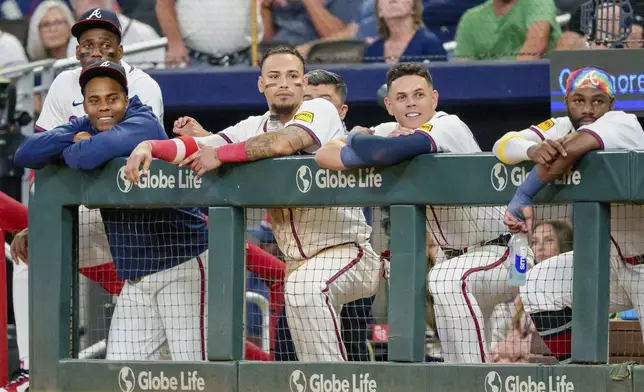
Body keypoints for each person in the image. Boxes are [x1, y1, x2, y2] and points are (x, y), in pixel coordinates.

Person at [124, 46, 383, 362]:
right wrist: (149, 145)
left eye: (292, 76)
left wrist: (219, 155)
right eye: (274, 77)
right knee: (292, 354)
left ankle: (332, 383)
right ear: (261, 84)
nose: (284, 84)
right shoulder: (253, 126)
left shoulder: (320, 110)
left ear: (303, 83)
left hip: (348, 252)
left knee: (307, 292)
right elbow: (198, 145)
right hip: (298, 263)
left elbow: (286, 141)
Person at [314, 62, 520, 364]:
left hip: (511, 257)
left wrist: (361, 140)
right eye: (402, 97)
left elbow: (385, 153)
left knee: (446, 281)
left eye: (419, 95)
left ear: (434, 99)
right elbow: (323, 154)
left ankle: (471, 383)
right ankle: (466, 378)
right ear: (389, 105)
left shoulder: (448, 125)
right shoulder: (388, 130)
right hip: (464, 261)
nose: (411, 103)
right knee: (465, 343)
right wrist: (363, 137)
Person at [3, 8, 163, 391]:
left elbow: (121, 150)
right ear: (76, 51)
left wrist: (79, 148)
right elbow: (32, 154)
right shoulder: (64, 84)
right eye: (87, 44)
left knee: (168, 363)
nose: (95, 51)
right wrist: (40, 219)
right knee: (28, 250)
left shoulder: (144, 87)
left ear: (121, 51)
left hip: (139, 220)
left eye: (105, 45)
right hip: (86, 210)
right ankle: (32, 368)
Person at [13, 60, 210, 361]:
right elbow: (26, 152)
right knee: (121, 372)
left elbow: (87, 157)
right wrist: (74, 136)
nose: (104, 108)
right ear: (85, 105)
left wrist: (80, 145)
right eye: (94, 101)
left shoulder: (142, 121)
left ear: (126, 99)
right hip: (136, 277)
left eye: (112, 99)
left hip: (181, 264)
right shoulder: (87, 123)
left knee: (197, 371)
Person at [499, 66, 644, 363]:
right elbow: (503, 144)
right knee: (537, 280)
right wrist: (532, 150)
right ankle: (579, 376)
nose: (588, 108)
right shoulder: (562, 124)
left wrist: (524, 193)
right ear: (566, 102)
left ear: (611, 104)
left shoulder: (622, 122)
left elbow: (572, 149)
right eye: (578, 100)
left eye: (598, 100)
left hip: (641, 265)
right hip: (613, 264)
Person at [489, 220, 573, 363]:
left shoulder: (570, 283)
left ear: (563, 244)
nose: (540, 247)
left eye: (549, 240)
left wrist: (521, 348)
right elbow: (507, 341)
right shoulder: (525, 283)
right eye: (534, 242)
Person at [364, 0, 446, 63]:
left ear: (413, 8)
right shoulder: (373, 50)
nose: (393, 0)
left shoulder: (430, 45)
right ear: (379, 11)